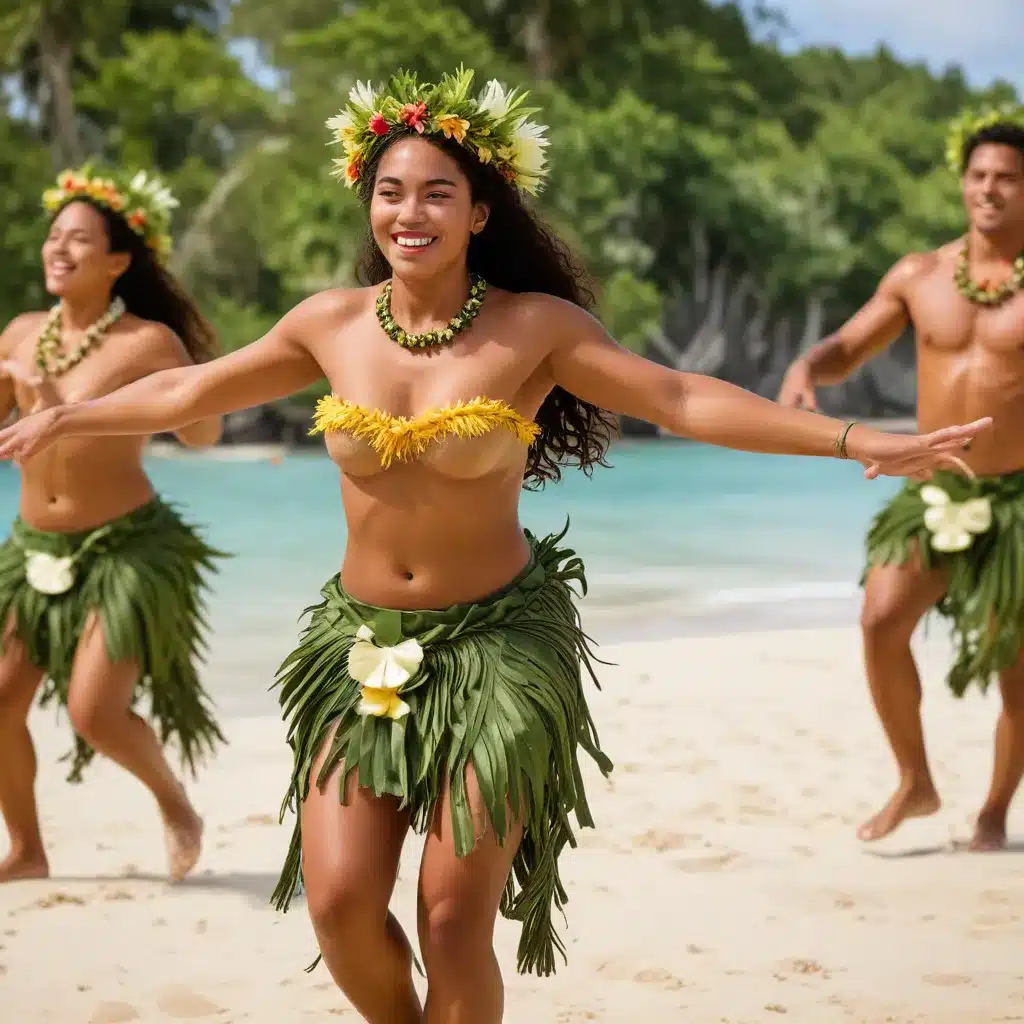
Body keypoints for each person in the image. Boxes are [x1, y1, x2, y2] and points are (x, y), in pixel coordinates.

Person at [0, 70, 988, 1023]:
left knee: (451, 915)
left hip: (499, 652)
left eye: (437, 192)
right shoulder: (329, 325)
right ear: (367, 204)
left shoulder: (534, 328)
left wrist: (860, 438)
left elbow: (682, 398)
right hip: (363, 646)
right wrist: (66, 423)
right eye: (389, 192)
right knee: (340, 903)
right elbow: (186, 392)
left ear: (480, 212)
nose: (408, 212)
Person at [778, 108, 1024, 852]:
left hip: (1018, 499)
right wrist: (806, 369)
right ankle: (914, 781)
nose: (990, 189)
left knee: (1016, 667)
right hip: (933, 489)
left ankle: (992, 814)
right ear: (962, 184)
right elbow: (848, 346)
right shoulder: (920, 275)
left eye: (1008, 178)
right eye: (979, 176)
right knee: (881, 621)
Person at [0, 166, 226, 885]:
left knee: (95, 711)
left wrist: (180, 397)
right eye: (53, 236)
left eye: (79, 239)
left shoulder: (145, 342)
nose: (58, 249)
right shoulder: (22, 331)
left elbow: (203, 436)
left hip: (126, 549)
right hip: (33, 545)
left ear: (119, 260)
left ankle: (175, 803)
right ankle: (28, 852)